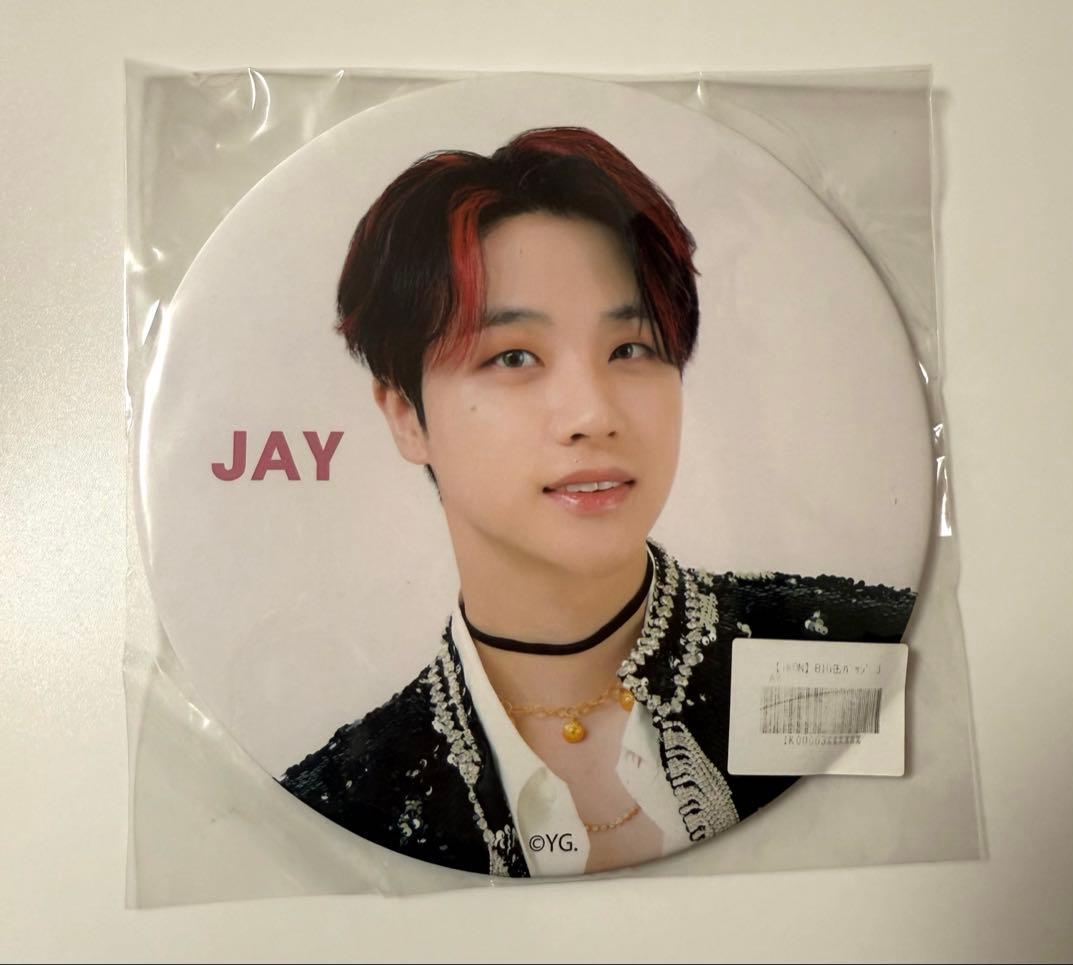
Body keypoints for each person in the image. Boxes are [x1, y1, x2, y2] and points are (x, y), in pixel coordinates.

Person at [280, 127, 915, 877]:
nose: (592, 413)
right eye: (514, 356)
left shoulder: (862, 653)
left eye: (630, 349)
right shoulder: (334, 810)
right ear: (405, 416)